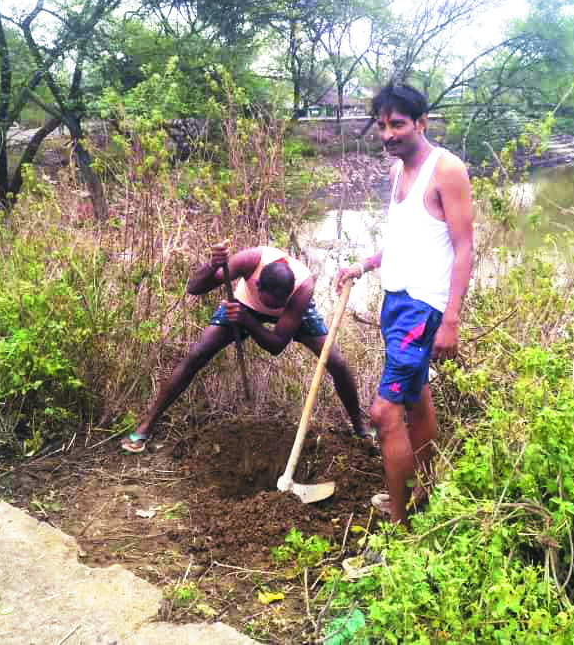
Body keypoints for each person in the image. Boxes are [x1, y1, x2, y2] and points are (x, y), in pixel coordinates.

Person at [335, 81, 474, 527]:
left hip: (422, 310)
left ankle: (398, 524)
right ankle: (426, 491)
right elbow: (405, 238)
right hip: (395, 301)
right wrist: (366, 264)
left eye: (397, 124)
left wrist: (450, 320)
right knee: (416, 400)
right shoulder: (397, 172)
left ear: (421, 122)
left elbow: (464, 246)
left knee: (384, 412)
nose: (388, 135)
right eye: (382, 126)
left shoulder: (446, 170)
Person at [121, 242, 367, 452]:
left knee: (336, 362)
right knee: (197, 355)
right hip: (243, 305)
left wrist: (247, 321)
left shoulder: (302, 289)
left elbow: (276, 345)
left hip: (285, 315)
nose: (272, 307)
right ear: (256, 283)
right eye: (269, 302)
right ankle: (146, 426)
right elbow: (194, 288)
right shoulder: (250, 261)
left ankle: (360, 428)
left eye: (278, 302)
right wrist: (213, 265)